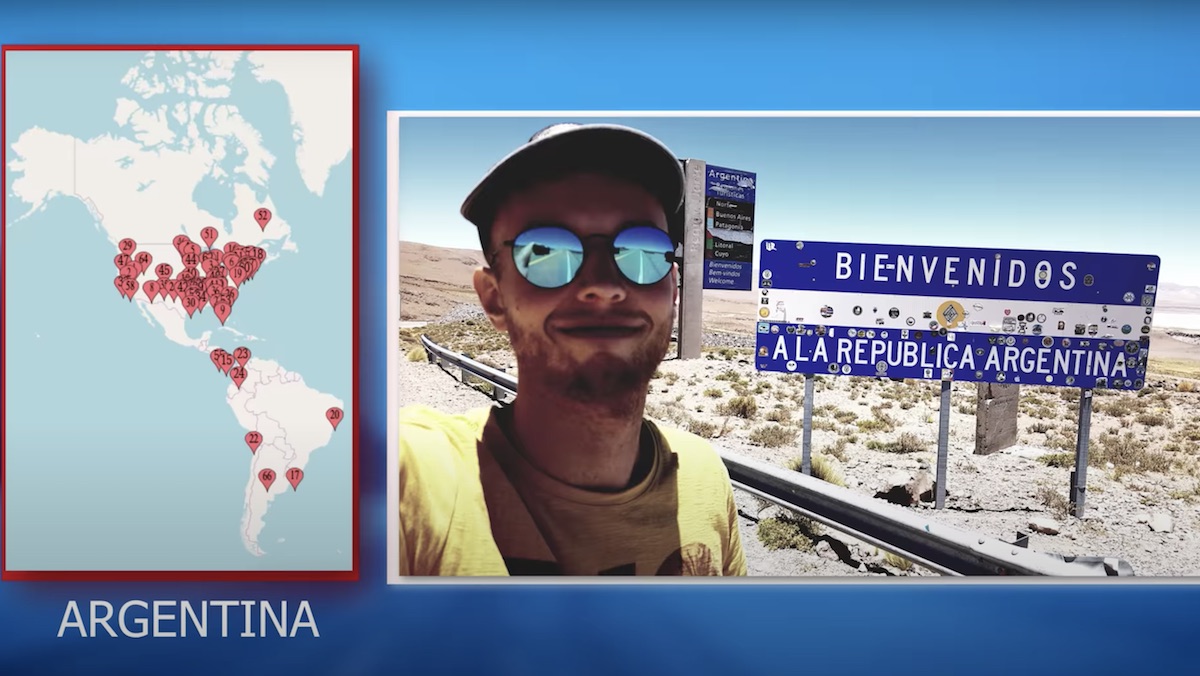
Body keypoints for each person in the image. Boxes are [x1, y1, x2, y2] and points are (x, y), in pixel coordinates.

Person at [397, 122, 747, 576]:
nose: (603, 287)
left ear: (673, 288)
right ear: (494, 298)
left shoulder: (704, 476)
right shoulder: (413, 476)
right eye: (546, 252)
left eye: (642, 250)